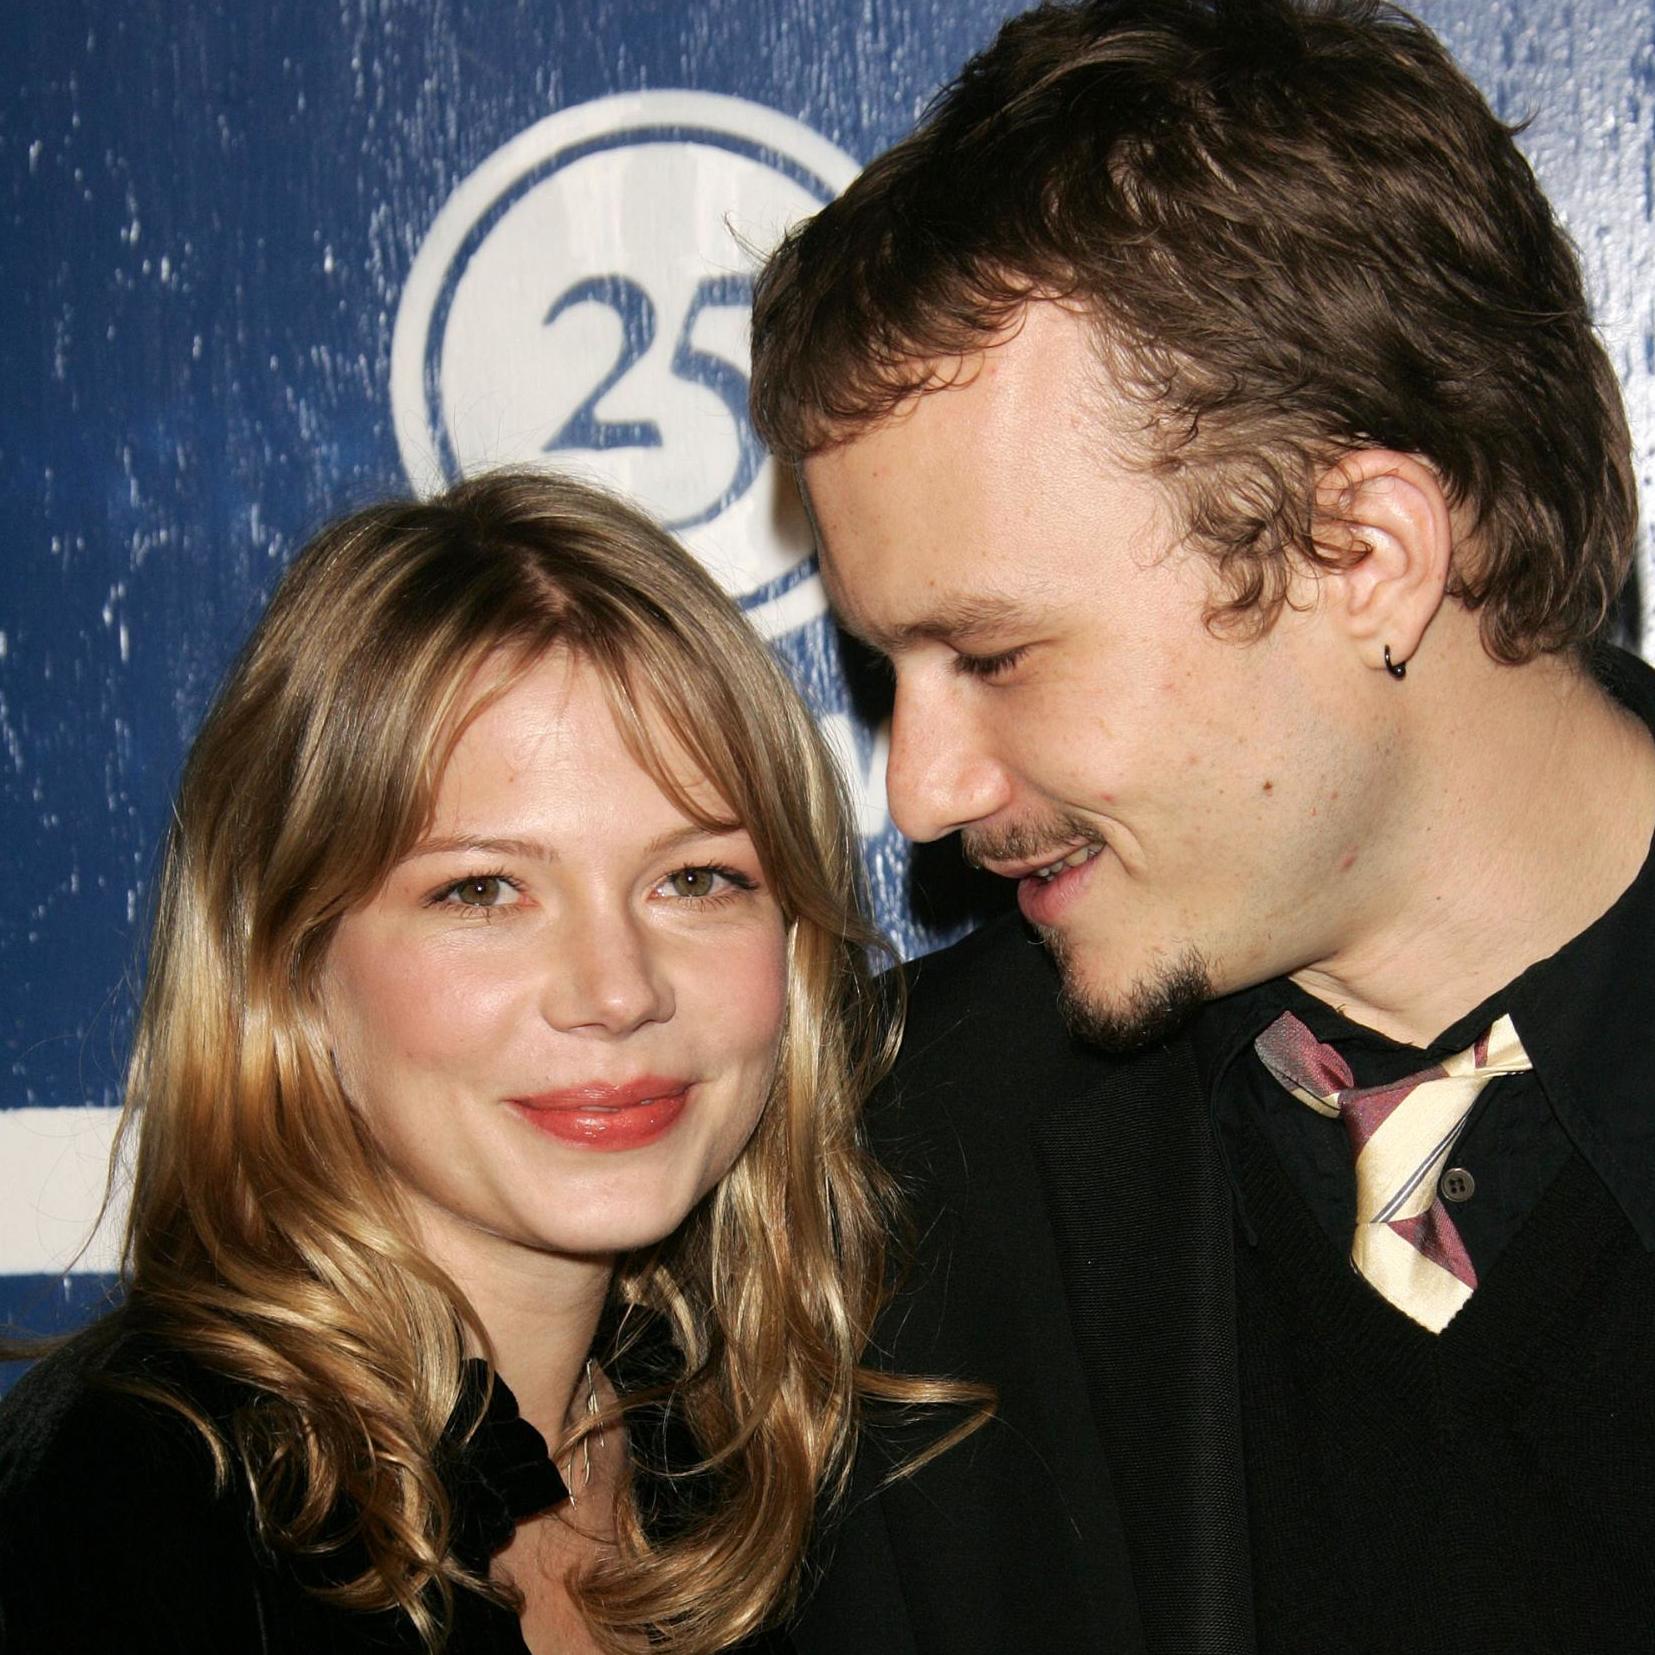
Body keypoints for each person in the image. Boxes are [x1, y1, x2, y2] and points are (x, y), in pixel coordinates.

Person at [748, 1, 1655, 1652]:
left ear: (1361, 555)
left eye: (998, 654)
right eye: (891, 672)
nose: (922, 789)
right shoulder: (882, 1175)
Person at [0, 470, 972, 1653]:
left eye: (695, 877)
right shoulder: (132, 1510)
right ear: (292, 962)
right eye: (482, 889)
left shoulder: (773, 1466)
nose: (616, 990)